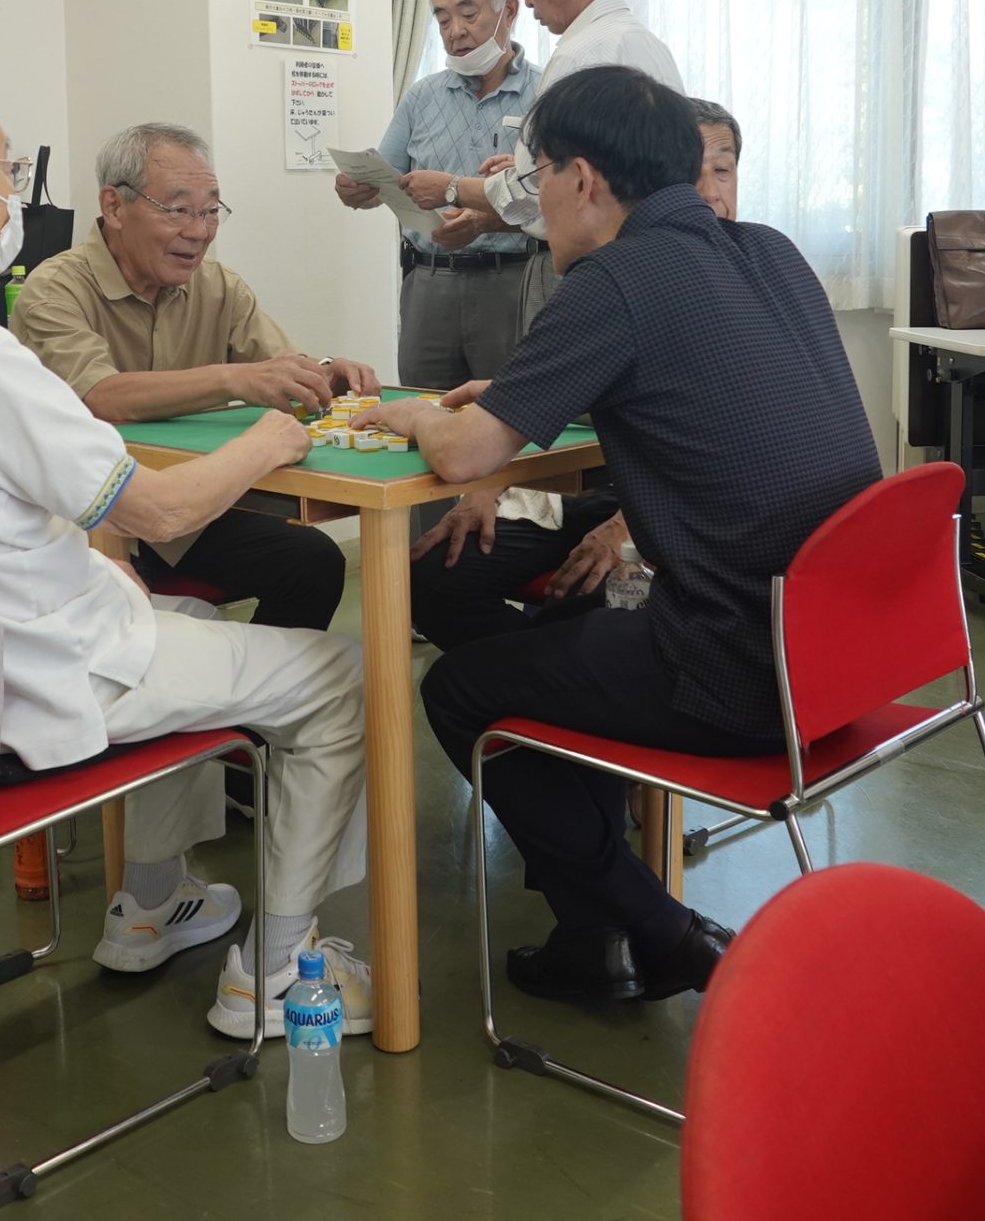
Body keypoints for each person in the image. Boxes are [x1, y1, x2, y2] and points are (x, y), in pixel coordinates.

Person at [0, 75, 371, 1036]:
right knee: (345, 677)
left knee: (195, 621)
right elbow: (161, 507)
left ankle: (151, 899)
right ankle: (283, 971)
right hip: (21, 684)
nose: (18, 196)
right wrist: (270, 443)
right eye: (7, 172)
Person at [355, 70, 878, 1004]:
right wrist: (518, 398)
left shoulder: (617, 281)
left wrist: (409, 419)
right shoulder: (768, 250)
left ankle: (656, 929)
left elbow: (468, 451)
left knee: (463, 688)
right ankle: (595, 926)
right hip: (837, 655)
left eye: (537, 173)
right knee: (546, 651)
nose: (532, 197)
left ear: (585, 178)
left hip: (733, 669)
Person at [14, 122, 378, 633]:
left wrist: (321, 373)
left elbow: (276, 366)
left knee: (311, 561)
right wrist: (234, 379)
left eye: (211, 211)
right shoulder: (54, 289)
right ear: (114, 206)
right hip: (85, 522)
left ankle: (256, 699)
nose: (199, 231)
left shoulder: (219, 285)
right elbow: (102, 396)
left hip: (190, 511)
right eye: (179, 209)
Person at [408, 100, 744, 651]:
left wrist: (628, 527)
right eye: (691, 175)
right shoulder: (618, 274)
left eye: (722, 171)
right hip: (608, 494)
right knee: (437, 574)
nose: (706, 193)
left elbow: (731, 452)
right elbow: (603, 396)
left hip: (676, 522)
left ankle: (527, 695)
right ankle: (521, 692)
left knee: (581, 605)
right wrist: (493, 482)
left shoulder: (745, 269)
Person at [437, 0, 685, 329]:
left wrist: (452, 188)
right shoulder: (647, 43)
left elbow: (538, 188)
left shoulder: (579, 55)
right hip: (651, 261)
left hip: (586, 265)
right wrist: (528, 167)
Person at [335, 0, 539, 390]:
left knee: (509, 414)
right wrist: (359, 187)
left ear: (509, 10)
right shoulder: (422, 96)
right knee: (420, 411)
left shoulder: (547, 93)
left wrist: (484, 217)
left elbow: (556, 199)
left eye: (468, 14)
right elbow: (384, 183)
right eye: (442, 19)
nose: (455, 32)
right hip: (429, 281)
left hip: (512, 279)